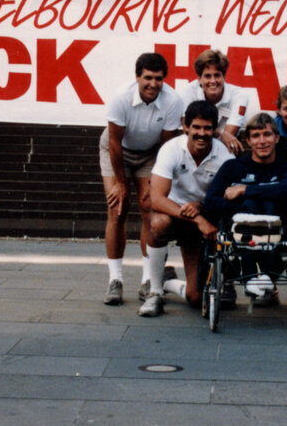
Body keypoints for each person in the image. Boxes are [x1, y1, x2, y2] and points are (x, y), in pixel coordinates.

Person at [100, 52, 184, 306]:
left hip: (151, 154)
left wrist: (156, 185)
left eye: (158, 79)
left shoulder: (173, 100)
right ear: (137, 77)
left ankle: (148, 279)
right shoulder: (120, 97)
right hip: (118, 152)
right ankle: (115, 280)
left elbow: (167, 146)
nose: (153, 84)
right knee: (117, 209)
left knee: (149, 208)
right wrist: (122, 183)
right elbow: (114, 143)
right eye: (147, 78)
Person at [139, 100, 234, 317]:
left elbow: (226, 197)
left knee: (196, 298)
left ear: (214, 129)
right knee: (158, 223)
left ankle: (168, 282)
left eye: (207, 128)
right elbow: (157, 200)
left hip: (201, 216)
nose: (202, 133)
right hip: (175, 214)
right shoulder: (171, 149)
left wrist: (201, 208)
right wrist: (198, 219)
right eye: (197, 127)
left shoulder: (224, 156)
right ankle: (154, 293)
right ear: (186, 126)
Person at [204, 113, 287, 303]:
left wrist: (245, 190)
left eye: (267, 135)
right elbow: (211, 201)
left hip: (275, 232)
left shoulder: (285, 168)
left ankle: (265, 279)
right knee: (249, 205)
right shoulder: (233, 167)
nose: (262, 141)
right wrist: (241, 208)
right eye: (256, 136)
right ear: (248, 140)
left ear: (277, 138)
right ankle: (251, 277)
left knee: (268, 202)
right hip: (240, 233)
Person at [177, 50, 250, 155]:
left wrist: (224, 134)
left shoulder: (239, 95)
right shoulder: (188, 92)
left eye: (217, 75)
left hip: (223, 150)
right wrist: (221, 132)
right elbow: (188, 130)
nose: (213, 81)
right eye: (207, 76)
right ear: (199, 79)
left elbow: (229, 137)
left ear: (224, 77)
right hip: (194, 150)